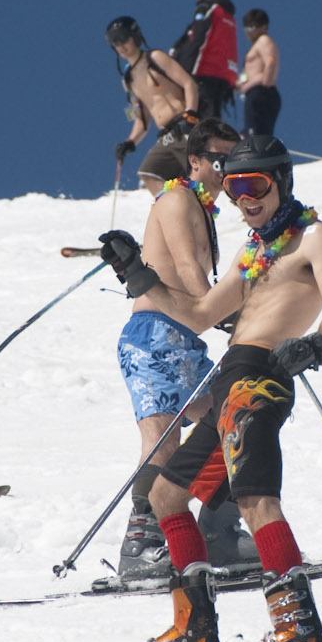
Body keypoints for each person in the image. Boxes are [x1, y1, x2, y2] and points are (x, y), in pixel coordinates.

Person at [95, 134, 322, 642]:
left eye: (255, 183)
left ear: (281, 181)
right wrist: (138, 274)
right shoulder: (254, 251)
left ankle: (298, 630)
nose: (245, 197)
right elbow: (198, 314)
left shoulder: (315, 238)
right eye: (234, 187)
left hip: (261, 378)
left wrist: (317, 343)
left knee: (257, 499)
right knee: (168, 497)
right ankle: (195, 623)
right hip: (227, 382)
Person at [113, 117, 252, 579]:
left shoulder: (203, 208)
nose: (225, 168)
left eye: (231, 160)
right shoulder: (175, 199)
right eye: (218, 159)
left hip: (186, 338)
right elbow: (191, 270)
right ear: (194, 161)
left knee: (231, 415)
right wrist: (226, 311)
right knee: (162, 437)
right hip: (153, 333)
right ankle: (143, 540)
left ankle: (217, 524)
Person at [107, 16, 199, 194]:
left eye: (123, 38)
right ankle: (175, 212)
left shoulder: (155, 58)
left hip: (183, 125)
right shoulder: (128, 81)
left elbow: (189, 84)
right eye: (115, 42)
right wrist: (129, 142)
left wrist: (190, 115)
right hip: (166, 135)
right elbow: (141, 120)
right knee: (149, 173)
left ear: (135, 36)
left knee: (199, 174)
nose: (120, 45)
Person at [173, 0, 241, 122]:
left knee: (202, 119)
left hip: (205, 71)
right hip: (225, 74)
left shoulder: (207, 8)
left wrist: (186, 71)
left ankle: (209, 143)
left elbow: (199, 38)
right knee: (213, 116)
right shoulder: (227, 14)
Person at [236, 9, 281, 137]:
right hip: (254, 93)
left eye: (252, 27)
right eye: (246, 28)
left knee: (255, 134)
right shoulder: (257, 45)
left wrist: (265, 85)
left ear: (263, 27)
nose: (249, 32)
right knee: (251, 132)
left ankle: (257, 153)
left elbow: (270, 62)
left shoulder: (264, 40)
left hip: (260, 92)